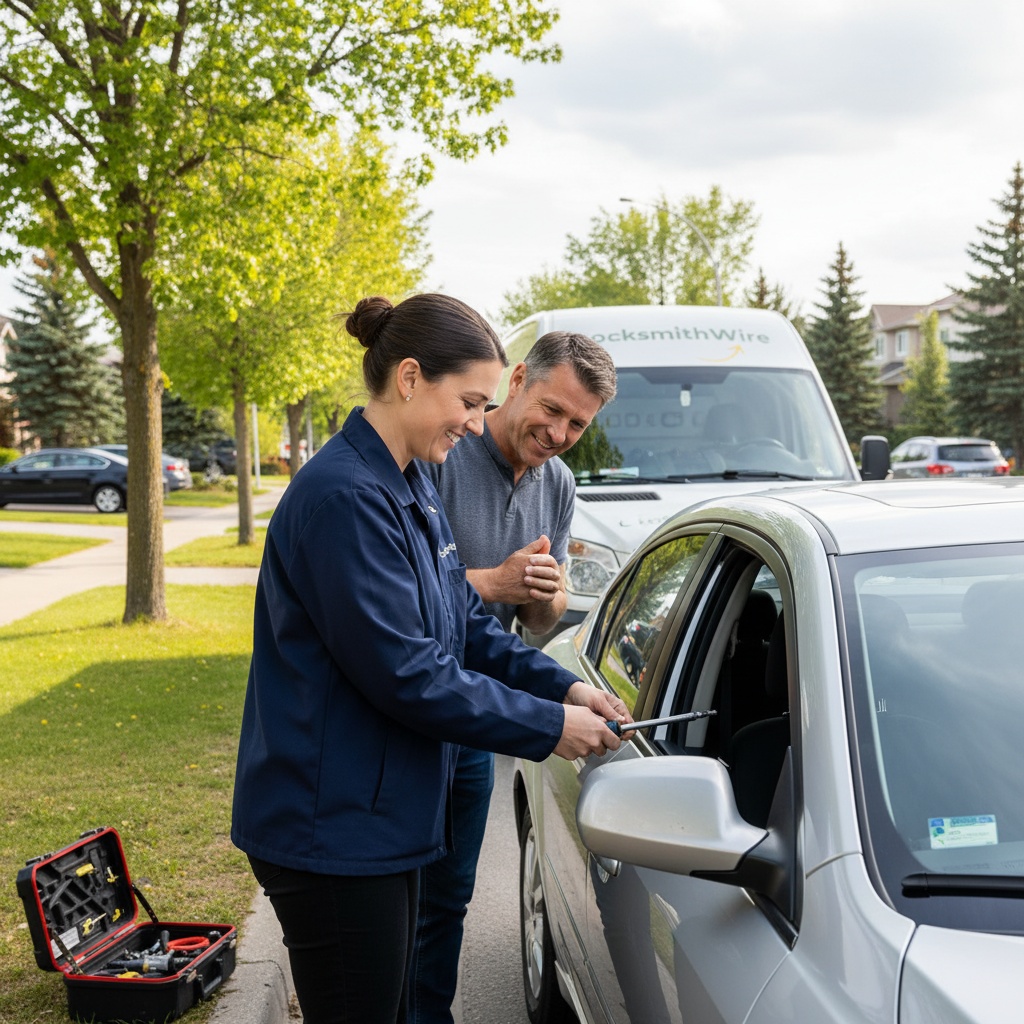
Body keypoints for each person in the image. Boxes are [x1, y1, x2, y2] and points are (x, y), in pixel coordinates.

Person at [230, 294, 631, 1024]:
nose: (477, 423)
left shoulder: (407, 479)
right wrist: (548, 728)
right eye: (470, 401)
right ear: (410, 378)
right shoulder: (344, 498)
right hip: (334, 827)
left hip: (382, 812)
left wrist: (567, 691)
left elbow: (463, 620)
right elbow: (408, 671)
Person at [410, 331, 618, 1024]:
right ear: (519, 377)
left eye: (577, 425)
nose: (558, 433)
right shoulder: (442, 451)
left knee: (448, 901)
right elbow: (398, 588)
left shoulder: (557, 483)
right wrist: (493, 580)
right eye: (551, 409)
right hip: (409, 710)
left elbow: (540, 617)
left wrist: (542, 590)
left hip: (478, 721)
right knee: (394, 903)